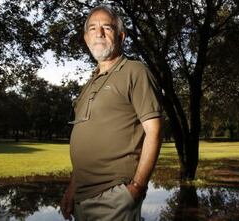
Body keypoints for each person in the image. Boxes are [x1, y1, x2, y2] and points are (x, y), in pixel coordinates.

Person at [60, 5, 163, 221]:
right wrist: (72, 188)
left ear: (121, 36)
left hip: (114, 197)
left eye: (107, 28)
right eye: (93, 28)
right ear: (86, 38)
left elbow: (154, 132)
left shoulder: (135, 71)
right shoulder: (89, 83)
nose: (99, 33)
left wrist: (136, 188)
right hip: (82, 197)